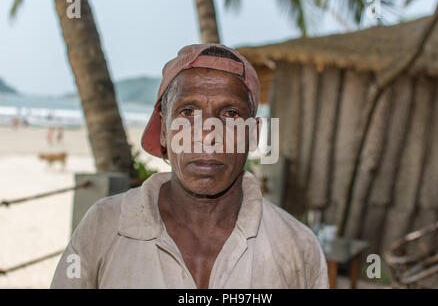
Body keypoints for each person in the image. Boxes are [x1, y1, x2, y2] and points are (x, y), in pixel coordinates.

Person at [51, 44, 328, 289]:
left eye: (231, 114)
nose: (208, 135)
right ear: (163, 131)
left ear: (253, 135)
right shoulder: (104, 225)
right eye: (187, 113)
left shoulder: (297, 247)